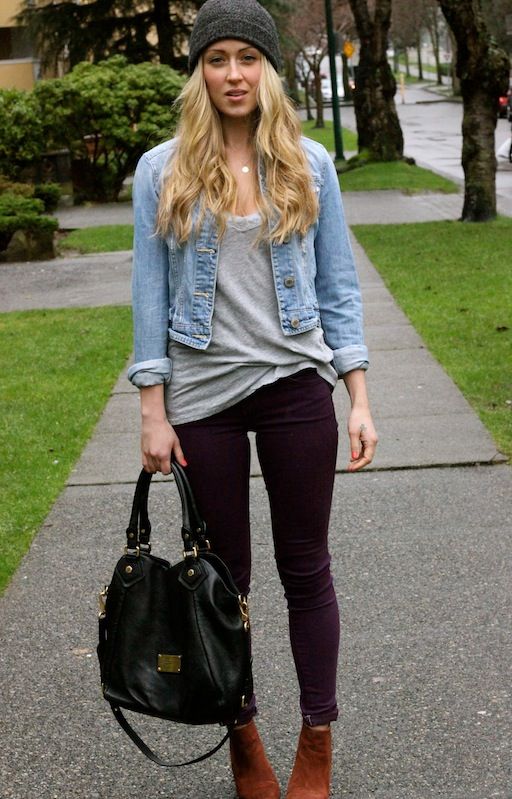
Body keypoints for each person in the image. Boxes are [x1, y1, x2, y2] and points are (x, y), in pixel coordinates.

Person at [128, 1, 378, 796]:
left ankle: (317, 735)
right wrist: (152, 410)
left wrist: (359, 396)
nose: (232, 73)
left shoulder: (311, 164)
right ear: (199, 70)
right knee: (222, 581)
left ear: (269, 68)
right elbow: (147, 299)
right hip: (203, 395)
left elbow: (339, 289)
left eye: (246, 58)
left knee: (307, 568)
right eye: (216, 58)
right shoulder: (160, 170)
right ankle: (242, 732)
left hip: (295, 385)